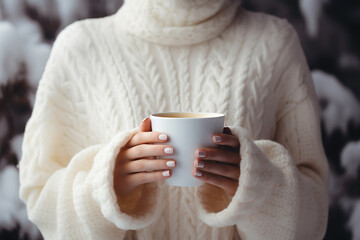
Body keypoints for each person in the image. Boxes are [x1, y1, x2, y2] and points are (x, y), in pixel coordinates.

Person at [19, 0, 329, 239]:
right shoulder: (80, 48)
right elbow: (41, 199)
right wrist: (106, 186)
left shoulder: (274, 43)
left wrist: (261, 188)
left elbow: (314, 218)